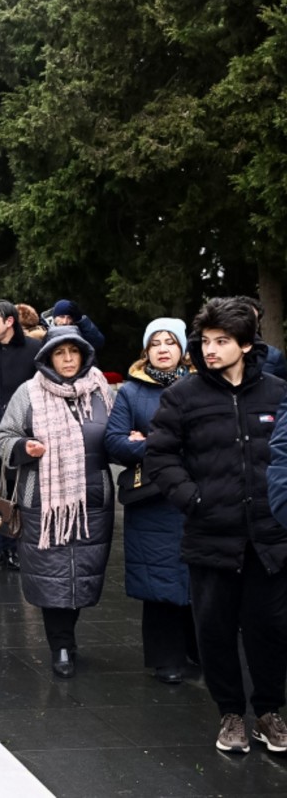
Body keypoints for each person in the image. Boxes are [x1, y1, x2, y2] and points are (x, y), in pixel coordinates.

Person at [148, 298, 287, 754]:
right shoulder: (182, 396)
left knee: (269, 628)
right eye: (205, 341)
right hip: (210, 535)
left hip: (269, 537)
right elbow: (160, 456)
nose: (210, 350)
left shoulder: (277, 393)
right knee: (215, 630)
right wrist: (193, 498)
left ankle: (269, 712)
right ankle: (230, 713)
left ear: (245, 344)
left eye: (221, 341)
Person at [0, 326, 114, 678]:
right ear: (47, 357)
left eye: (72, 352)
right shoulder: (28, 392)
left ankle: (69, 633)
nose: (66, 359)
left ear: (84, 355)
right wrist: (23, 448)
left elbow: (119, 433)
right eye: (59, 353)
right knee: (52, 575)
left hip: (94, 499)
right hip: (43, 501)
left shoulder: (102, 392)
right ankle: (60, 644)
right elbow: (4, 436)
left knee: (82, 575)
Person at [104, 318, 196, 685]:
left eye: (170, 342)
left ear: (183, 350)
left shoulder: (201, 387)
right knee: (157, 581)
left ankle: (197, 651)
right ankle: (165, 659)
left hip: (193, 497)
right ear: (146, 350)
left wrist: (149, 440)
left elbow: (210, 439)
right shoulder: (130, 391)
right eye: (155, 342)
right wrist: (167, 444)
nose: (162, 348)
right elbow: (114, 442)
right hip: (152, 500)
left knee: (197, 577)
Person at [0, 300, 43, 573]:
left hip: (24, 432)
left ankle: (15, 548)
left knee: (20, 490)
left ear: (9, 322)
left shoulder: (33, 350)